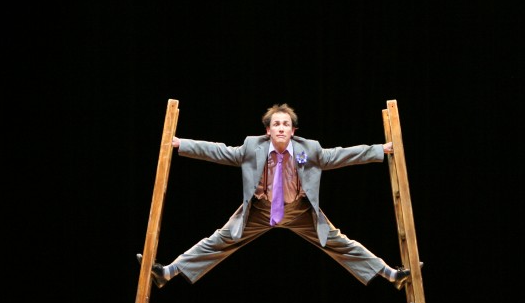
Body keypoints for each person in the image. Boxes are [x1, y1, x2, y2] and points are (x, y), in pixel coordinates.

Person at [138, 103, 416, 290]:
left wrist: (379, 149)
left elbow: (340, 155)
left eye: (286, 124)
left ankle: (391, 274)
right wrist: (182, 144)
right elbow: (221, 151)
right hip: (260, 211)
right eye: (276, 124)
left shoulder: (308, 149)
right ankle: (168, 272)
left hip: (299, 211)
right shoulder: (252, 147)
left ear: (293, 131)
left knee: (340, 242)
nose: (281, 128)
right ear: (268, 130)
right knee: (219, 240)